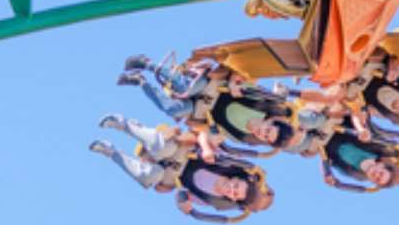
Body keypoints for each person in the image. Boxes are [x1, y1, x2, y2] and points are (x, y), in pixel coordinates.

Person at [88, 116, 274, 223]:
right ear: (237, 178)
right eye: (235, 185)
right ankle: (123, 124)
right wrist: (208, 148)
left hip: (171, 172)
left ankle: (110, 152)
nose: (230, 190)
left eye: (234, 194)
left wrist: (184, 205)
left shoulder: (213, 201)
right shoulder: (230, 163)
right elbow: (202, 134)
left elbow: (183, 195)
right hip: (181, 150)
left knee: (149, 177)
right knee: (163, 147)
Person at [117, 55, 300, 156]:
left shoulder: (242, 136)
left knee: (172, 109)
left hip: (203, 109)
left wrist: (212, 136)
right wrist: (236, 83)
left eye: (266, 137)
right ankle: (147, 64)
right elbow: (244, 78)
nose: (263, 133)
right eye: (268, 130)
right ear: (270, 122)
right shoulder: (261, 104)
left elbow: (214, 131)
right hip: (213, 88)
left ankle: (140, 81)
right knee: (186, 88)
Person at [320, 129, 399, 192]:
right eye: (381, 174)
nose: (376, 175)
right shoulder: (377, 148)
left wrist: (329, 176)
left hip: (322, 143)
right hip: (336, 125)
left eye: (377, 180)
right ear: (382, 165)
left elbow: (330, 162)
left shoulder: (357, 175)